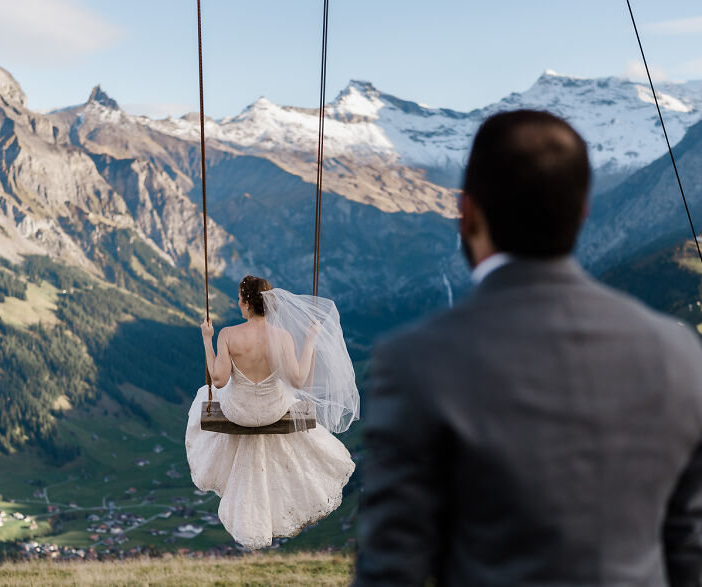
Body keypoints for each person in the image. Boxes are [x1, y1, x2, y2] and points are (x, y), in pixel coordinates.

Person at [355, 110, 702, 586]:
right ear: (581, 211)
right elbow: (689, 552)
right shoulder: (678, 352)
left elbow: (392, 570)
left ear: (467, 213)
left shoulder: (415, 361)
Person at [185, 275, 357, 549]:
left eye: (240, 299)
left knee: (204, 397)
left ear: (247, 303)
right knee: (289, 394)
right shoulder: (282, 337)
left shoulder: (228, 335)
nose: (238, 303)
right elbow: (299, 381)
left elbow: (217, 380)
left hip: (238, 411)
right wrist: (310, 341)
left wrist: (207, 339)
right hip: (274, 410)